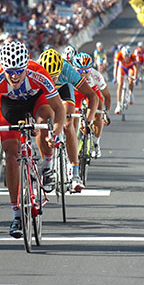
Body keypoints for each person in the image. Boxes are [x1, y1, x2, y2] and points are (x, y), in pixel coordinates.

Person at [0, 41, 65, 238]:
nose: (15, 76)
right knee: (10, 155)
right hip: (10, 106)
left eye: (19, 71)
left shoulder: (38, 73)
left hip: (37, 101)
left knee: (43, 122)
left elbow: (59, 109)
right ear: (3, 68)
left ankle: (47, 165)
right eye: (10, 71)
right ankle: (16, 214)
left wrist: (55, 132)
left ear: (26, 66)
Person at [37, 48, 99, 192]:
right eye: (49, 77)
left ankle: (75, 173)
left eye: (54, 76)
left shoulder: (68, 70)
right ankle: (48, 166)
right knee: (41, 124)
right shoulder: (36, 72)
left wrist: (88, 121)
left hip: (64, 89)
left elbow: (93, 96)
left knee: (68, 123)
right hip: (44, 92)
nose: (52, 80)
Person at [73, 52, 111, 158]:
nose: (83, 74)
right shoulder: (69, 74)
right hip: (76, 93)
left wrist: (106, 113)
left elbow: (107, 96)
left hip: (91, 92)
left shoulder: (96, 76)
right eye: (80, 71)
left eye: (86, 71)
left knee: (98, 112)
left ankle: (96, 143)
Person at [113, 45, 138, 114]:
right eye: (125, 56)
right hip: (122, 68)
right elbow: (116, 67)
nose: (127, 58)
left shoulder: (133, 56)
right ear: (123, 54)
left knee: (131, 78)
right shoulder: (119, 55)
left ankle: (131, 94)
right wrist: (115, 77)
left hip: (130, 68)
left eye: (128, 56)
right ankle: (118, 105)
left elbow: (136, 68)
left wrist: (135, 77)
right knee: (120, 84)